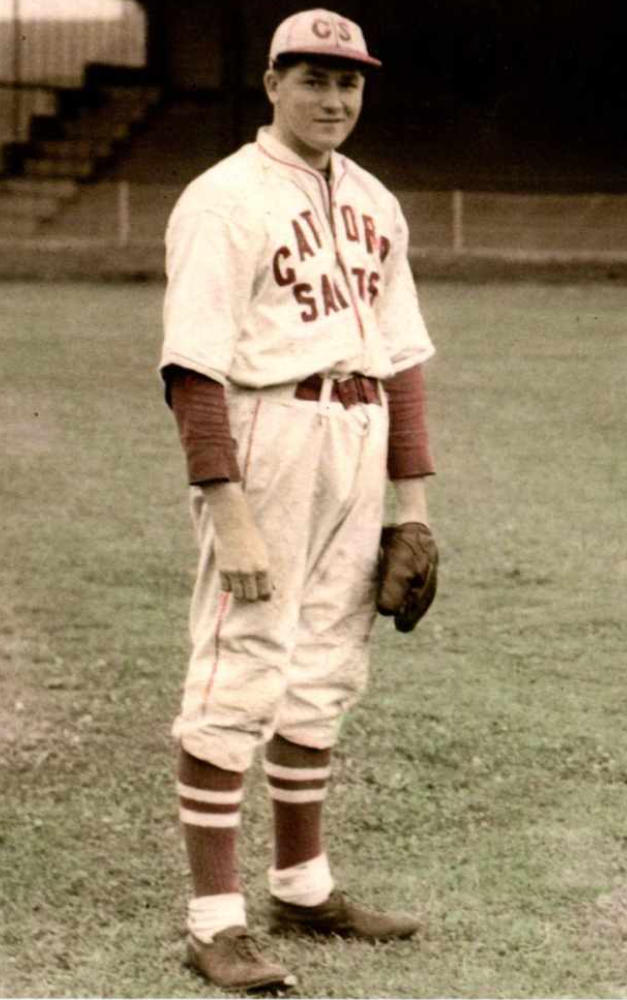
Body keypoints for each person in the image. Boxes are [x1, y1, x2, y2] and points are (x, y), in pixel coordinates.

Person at [160, 8, 438, 992]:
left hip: (360, 435)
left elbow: (403, 362)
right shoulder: (222, 199)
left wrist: (412, 506)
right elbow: (193, 369)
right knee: (242, 665)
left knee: (324, 661)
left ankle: (304, 887)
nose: (333, 98)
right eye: (313, 78)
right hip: (268, 431)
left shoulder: (377, 201)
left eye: (349, 81)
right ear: (272, 82)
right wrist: (226, 508)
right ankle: (214, 922)